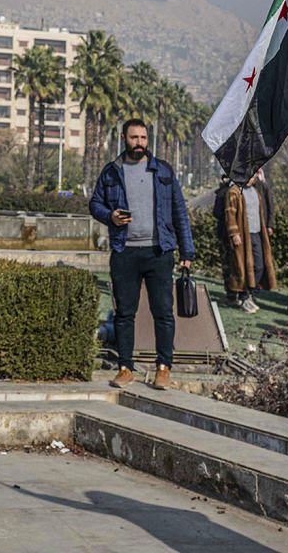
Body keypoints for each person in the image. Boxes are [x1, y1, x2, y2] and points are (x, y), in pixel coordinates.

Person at [89, 118, 195, 390]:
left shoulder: (163, 171)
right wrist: (110, 216)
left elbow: (179, 212)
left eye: (143, 138)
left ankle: (163, 369)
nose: (139, 143)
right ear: (124, 138)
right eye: (134, 138)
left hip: (159, 252)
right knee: (124, 313)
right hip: (125, 252)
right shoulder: (112, 171)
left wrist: (187, 251)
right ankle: (125, 369)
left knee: (163, 312)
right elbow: (94, 203)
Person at [213, 169, 276, 313]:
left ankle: (250, 292)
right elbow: (230, 214)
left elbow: (266, 208)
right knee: (242, 266)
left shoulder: (256, 191)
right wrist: (234, 233)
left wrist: (268, 226)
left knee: (259, 265)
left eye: (253, 176)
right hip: (243, 235)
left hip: (257, 234)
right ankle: (244, 295)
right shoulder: (233, 191)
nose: (251, 178)